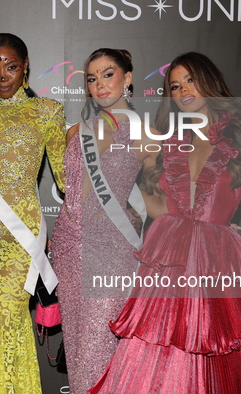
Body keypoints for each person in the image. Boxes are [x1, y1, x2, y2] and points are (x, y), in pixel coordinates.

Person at [89, 52, 241, 393]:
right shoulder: (166, 140)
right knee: (163, 347)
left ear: (209, 83)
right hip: (171, 255)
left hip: (221, 257)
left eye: (190, 80)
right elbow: (161, 205)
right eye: (174, 85)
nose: (183, 90)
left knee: (229, 351)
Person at [51, 48, 160, 394]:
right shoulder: (73, 132)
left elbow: (164, 202)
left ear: (127, 78)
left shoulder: (147, 134)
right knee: (79, 352)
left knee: (99, 352)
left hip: (111, 254)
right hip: (68, 251)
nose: (99, 84)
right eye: (92, 77)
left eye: (108, 74)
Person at [0, 33, 66, 394]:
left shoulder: (48, 110)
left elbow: (66, 178)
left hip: (18, 239)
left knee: (8, 322)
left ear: (25, 67)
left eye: (10, 66)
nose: (2, 75)